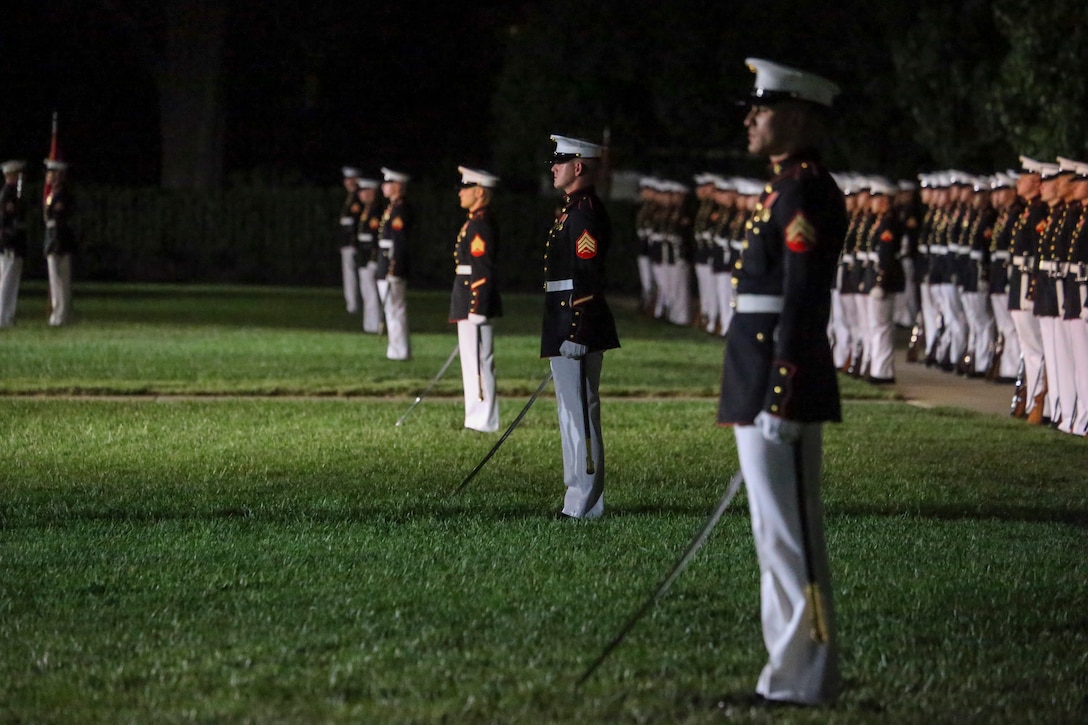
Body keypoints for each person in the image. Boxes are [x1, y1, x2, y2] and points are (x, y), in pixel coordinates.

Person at [718, 58, 844, 706]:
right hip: (757, 367)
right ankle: (787, 672)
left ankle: (808, 676)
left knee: (791, 535)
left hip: (776, 375)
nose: (749, 119)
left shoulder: (804, 189)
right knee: (774, 535)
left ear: (795, 116)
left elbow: (803, 300)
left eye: (759, 110)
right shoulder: (784, 187)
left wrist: (783, 393)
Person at [543, 134, 619, 520]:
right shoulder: (572, 209)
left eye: (560, 162)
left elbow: (587, 278)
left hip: (575, 324)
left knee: (581, 415)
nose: (553, 167)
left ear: (578, 167)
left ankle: (583, 503)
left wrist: (577, 332)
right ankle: (579, 497)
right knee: (570, 413)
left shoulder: (584, 212)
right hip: (564, 320)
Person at [450, 166, 503, 432]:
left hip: (474, 298)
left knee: (480, 361)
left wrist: (478, 305)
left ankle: (485, 419)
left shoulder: (480, 223)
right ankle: (476, 416)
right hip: (467, 295)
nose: (460, 192)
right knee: (472, 360)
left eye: (465, 187)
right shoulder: (475, 220)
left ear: (479, 192)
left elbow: (482, 268)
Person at [376, 167, 412, 361]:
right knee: (391, 309)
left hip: (392, 263)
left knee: (395, 309)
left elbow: (399, 242)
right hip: (386, 261)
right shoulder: (393, 207)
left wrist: (394, 267)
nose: (384, 186)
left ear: (397, 186)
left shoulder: (400, 209)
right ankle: (396, 348)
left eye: (388, 183)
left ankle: (399, 351)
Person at [43, 158, 76, 326]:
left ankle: (60, 315)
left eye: (51, 173)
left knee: (59, 280)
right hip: (54, 238)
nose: (48, 177)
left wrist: (55, 244)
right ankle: (59, 314)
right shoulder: (54, 194)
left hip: (59, 240)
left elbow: (60, 221)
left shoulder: (62, 195)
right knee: (57, 280)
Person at [353, 175, 384, 334]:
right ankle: (369, 324)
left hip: (369, 257)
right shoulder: (367, 210)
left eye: (364, 191)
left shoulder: (375, 211)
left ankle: (373, 324)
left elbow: (375, 238)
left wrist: (373, 258)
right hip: (363, 257)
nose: (361, 194)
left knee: (371, 292)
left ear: (372, 191)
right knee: (366, 291)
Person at [0, 160, 28, 327]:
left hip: (14, 241)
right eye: (17, 174)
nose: (19, 178)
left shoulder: (14, 194)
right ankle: (2, 316)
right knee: (6, 280)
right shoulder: (7, 194)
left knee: (11, 280)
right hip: (9, 241)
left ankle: (8, 316)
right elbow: (6, 220)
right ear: (9, 175)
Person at [338, 166, 362, 314]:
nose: (348, 182)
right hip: (346, 242)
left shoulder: (356, 198)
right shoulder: (350, 197)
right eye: (347, 179)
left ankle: (353, 305)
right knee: (350, 274)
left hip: (352, 243)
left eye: (351, 179)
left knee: (352, 274)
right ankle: (351, 303)